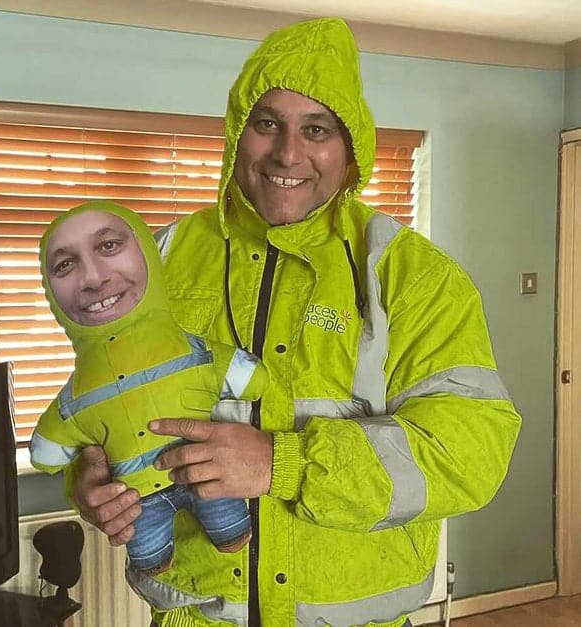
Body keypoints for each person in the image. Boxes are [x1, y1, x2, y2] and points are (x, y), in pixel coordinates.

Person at [67, 17, 522, 627]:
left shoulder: (411, 275)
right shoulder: (160, 261)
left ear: (350, 147)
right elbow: (104, 400)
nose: (288, 153)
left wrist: (283, 463)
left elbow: (469, 452)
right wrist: (91, 478)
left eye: (316, 129)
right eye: (267, 124)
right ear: (238, 133)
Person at [30, 201, 269, 576]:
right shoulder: (171, 245)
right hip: (184, 598)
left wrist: (282, 462)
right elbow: (75, 454)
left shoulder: (373, 247)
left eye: (108, 246)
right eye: (64, 265)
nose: (93, 279)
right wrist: (89, 488)